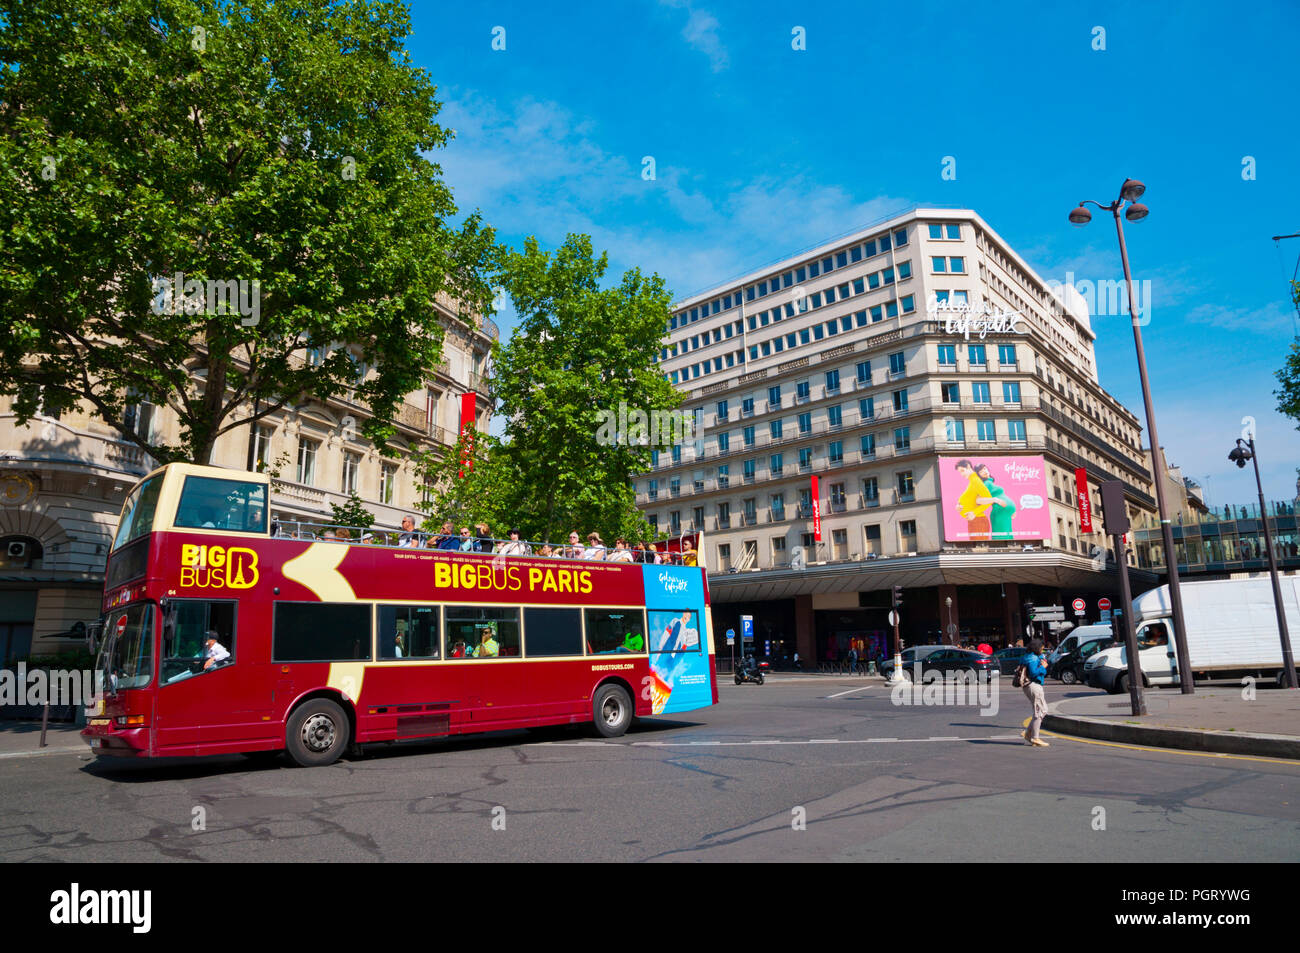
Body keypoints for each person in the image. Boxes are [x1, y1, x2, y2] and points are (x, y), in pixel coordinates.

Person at [975, 463, 1017, 540]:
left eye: (984, 468)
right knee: (1002, 539)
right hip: (999, 514)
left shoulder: (990, 482)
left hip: (1004, 514)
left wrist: (1012, 510)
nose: (984, 471)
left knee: (1008, 538)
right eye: (981, 471)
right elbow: (978, 500)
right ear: (979, 475)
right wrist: (995, 500)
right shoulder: (985, 484)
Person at [1020, 637, 1049, 747]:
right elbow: (1033, 673)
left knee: (1043, 709)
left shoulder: (1028, 656)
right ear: (1037, 648)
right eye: (1042, 649)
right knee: (1039, 711)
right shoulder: (1032, 658)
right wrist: (1043, 667)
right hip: (1034, 685)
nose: (1043, 650)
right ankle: (1035, 737)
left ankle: (1028, 733)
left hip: (1030, 686)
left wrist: (1041, 659)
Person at [954, 459, 992, 542]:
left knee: (979, 551)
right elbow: (969, 498)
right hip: (974, 522)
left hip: (978, 522)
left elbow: (989, 500)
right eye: (960, 472)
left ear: (968, 467)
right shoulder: (972, 481)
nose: (962, 474)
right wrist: (959, 506)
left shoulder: (975, 481)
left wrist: (974, 512)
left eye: (962, 471)